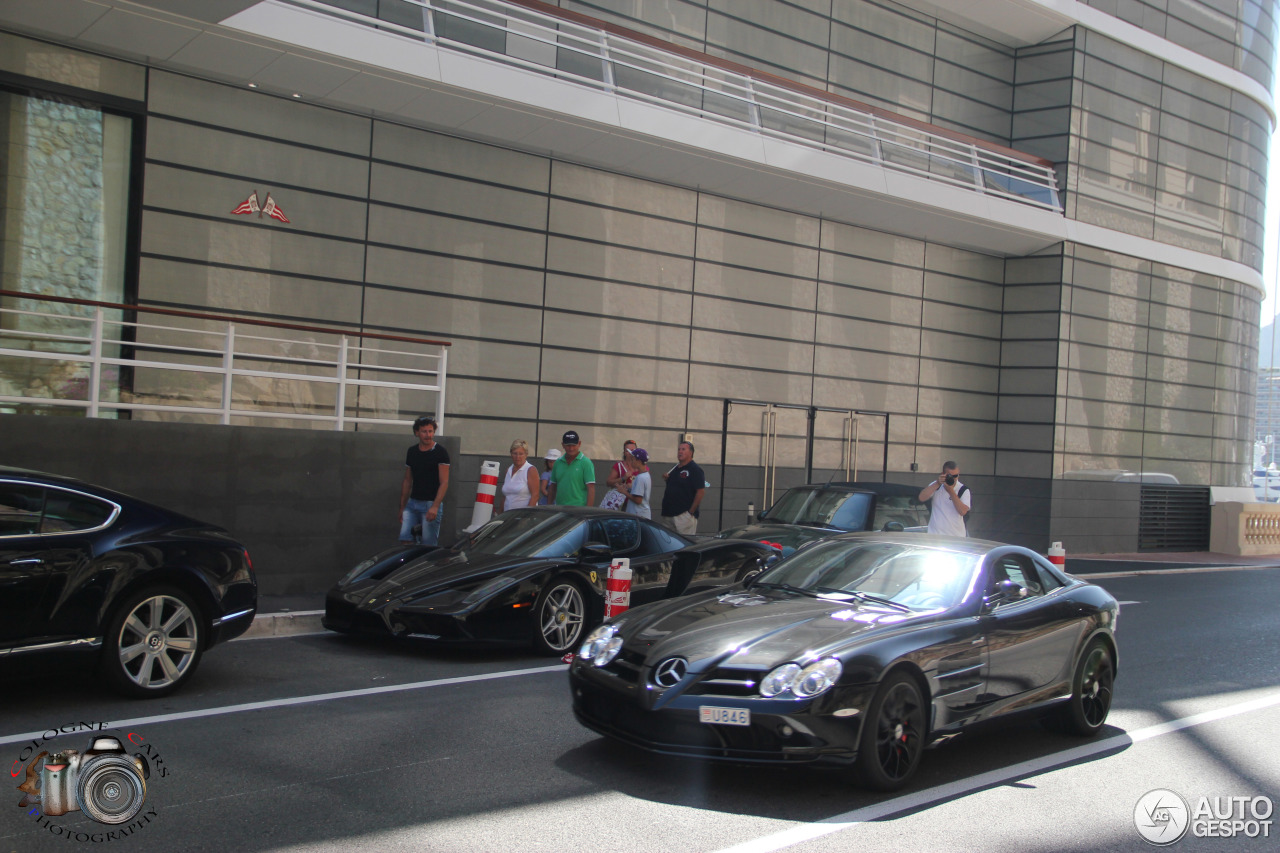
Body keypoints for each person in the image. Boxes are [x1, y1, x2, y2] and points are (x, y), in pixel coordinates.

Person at [399, 415, 450, 545]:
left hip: (430, 503)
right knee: (406, 539)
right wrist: (402, 506)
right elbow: (407, 480)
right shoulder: (412, 451)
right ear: (417, 432)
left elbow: (444, 482)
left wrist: (435, 506)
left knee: (427, 544)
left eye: (430, 431)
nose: (428, 435)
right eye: (424, 431)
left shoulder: (440, 452)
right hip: (412, 502)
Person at [661, 440, 705, 535]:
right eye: (679, 449)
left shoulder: (695, 470)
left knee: (684, 545)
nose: (680, 452)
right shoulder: (675, 469)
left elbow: (700, 491)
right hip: (668, 515)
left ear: (691, 452)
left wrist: (690, 513)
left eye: (683, 449)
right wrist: (667, 479)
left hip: (683, 516)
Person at [918, 460, 970, 537]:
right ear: (943, 474)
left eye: (956, 476)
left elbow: (962, 511)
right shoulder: (936, 485)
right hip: (935, 535)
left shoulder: (963, 489)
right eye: (950, 476)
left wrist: (951, 491)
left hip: (955, 536)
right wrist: (937, 483)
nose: (954, 479)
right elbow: (921, 498)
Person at [547, 430, 595, 506]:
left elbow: (591, 488)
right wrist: (549, 506)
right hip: (560, 508)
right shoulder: (558, 463)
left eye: (574, 445)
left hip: (579, 509)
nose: (571, 448)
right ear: (563, 445)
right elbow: (553, 486)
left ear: (579, 444)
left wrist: (588, 511)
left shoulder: (586, 462)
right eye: (568, 445)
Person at [497, 439, 540, 512]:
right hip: (508, 516)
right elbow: (505, 496)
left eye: (521, 454)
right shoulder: (508, 470)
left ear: (526, 455)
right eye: (515, 453)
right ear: (511, 454)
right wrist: (499, 515)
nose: (517, 457)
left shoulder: (530, 470)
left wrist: (525, 516)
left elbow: (535, 496)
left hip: (523, 517)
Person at [619, 446, 651, 518]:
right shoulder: (645, 475)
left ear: (638, 461)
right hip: (641, 515)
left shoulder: (641, 478)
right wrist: (629, 488)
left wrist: (624, 492)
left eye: (632, 459)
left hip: (638, 516)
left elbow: (638, 500)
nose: (631, 461)